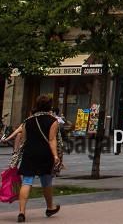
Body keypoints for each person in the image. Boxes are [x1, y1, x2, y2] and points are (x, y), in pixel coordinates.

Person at [12, 94, 62, 222]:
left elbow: (23, 139)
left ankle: (22, 212)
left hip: (30, 153)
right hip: (45, 154)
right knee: (46, 180)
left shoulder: (28, 121)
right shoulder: (53, 120)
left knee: (27, 181)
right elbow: (52, 139)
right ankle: (50, 207)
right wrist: (56, 156)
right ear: (49, 106)